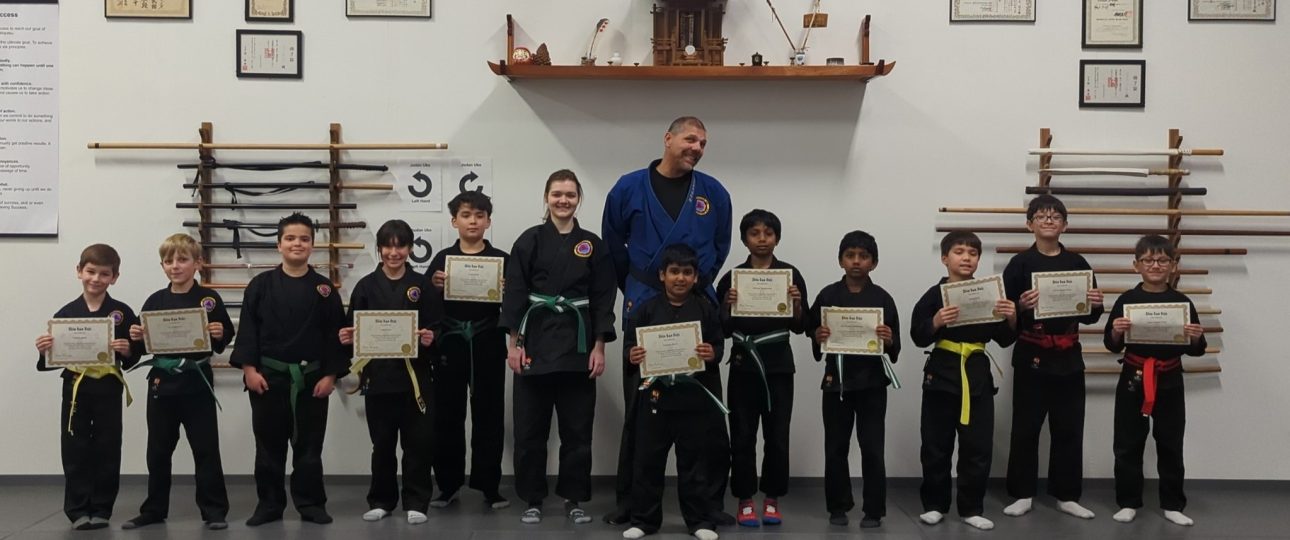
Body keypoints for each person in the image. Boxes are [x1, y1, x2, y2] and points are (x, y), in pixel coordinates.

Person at [602, 116, 733, 525]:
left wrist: (695, 289)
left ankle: (709, 504)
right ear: (668, 138)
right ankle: (632, 503)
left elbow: (720, 245)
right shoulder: (627, 187)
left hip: (697, 307)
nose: (696, 147)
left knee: (707, 413)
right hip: (644, 301)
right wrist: (640, 290)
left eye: (703, 142)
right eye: (690, 138)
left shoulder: (713, 193)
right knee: (641, 411)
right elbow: (613, 247)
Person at [500, 169, 617, 525]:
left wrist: (599, 347)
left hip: (578, 346)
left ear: (579, 198)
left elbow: (602, 298)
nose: (563, 200)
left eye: (569, 194)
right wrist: (513, 345)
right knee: (530, 429)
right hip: (534, 341)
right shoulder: (529, 241)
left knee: (577, 430)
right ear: (547, 198)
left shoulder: (593, 245)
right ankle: (533, 497)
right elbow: (516, 293)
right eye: (556, 194)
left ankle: (574, 496)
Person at [230, 212, 349, 527]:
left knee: (309, 447)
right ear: (279, 244)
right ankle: (269, 505)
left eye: (305, 238)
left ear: (313, 245)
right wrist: (249, 370)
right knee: (268, 447)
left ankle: (310, 504)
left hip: (312, 380)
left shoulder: (324, 290)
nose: (298, 243)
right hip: (268, 378)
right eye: (291, 238)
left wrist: (330, 375)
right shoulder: (260, 286)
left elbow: (334, 337)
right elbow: (248, 333)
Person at [1000, 195, 1104, 520]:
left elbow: (1090, 317)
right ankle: (1022, 493)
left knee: (1069, 427)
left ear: (1064, 225)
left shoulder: (1077, 263)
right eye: (1041, 216)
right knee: (1026, 428)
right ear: (1029, 224)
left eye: (1055, 216)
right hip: (1031, 352)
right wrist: (1020, 306)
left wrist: (1095, 302)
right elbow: (1004, 318)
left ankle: (1066, 494)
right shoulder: (1019, 264)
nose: (1048, 220)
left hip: (1069, 356)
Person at [121, 234, 234, 530]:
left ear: (197, 263)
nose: (175, 266)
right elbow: (143, 346)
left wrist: (220, 332)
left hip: (196, 382)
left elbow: (225, 338)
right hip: (162, 382)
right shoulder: (155, 300)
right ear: (162, 266)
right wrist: (137, 339)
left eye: (182, 259)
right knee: (158, 450)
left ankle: (214, 510)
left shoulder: (209, 299)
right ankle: (154, 509)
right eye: (169, 261)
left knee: (206, 448)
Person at [910, 231, 1017, 531]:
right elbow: (917, 335)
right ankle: (934, 505)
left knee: (977, 446)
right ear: (945, 258)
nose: (967, 257)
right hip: (941, 375)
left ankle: (971, 507)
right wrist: (936, 321)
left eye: (973, 253)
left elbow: (1005, 338)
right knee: (936, 445)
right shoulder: (934, 295)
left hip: (977, 374)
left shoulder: (988, 292)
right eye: (959, 252)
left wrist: (1010, 317)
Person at [621, 244, 725, 540]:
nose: (680, 278)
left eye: (687, 273)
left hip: (693, 399)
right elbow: (630, 346)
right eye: (674, 272)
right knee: (647, 460)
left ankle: (700, 521)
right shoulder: (646, 309)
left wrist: (710, 353)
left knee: (694, 462)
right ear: (662, 275)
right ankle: (643, 520)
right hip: (655, 397)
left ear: (695, 278)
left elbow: (718, 344)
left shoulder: (706, 309)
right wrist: (633, 356)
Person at [338, 219, 438, 524]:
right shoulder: (366, 286)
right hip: (379, 379)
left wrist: (431, 337)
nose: (394, 252)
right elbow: (354, 330)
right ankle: (381, 499)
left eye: (401, 245)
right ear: (379, 248)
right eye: (388, 246)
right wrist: (347, 338)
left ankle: (417, 501)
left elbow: (437, 326)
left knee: (417, 444)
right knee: (381, 444)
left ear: (410, 249)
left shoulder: (422, 286)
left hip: (415, 378)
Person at [1103, 235, 1207, 527]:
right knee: (1127, 442)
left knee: (1171, 443)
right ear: (1136, 265)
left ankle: (1173, 503)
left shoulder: (1181, 301)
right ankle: (1128, 501)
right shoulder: (1127, 300)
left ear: (1173, 266)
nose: (1156, 265)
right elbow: (1111, 345)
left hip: (1170, 378)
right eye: (1148, 260)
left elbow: (1196, 349)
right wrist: (1116, 331)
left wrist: (1197, 336)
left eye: (1163, 260)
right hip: (1133, 378)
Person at [34, 244, 139, 531]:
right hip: (75, 388)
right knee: (75, 446)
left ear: (114, 277)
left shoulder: (122, 313)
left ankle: (103, 507)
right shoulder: (66, 313)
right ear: (79, 271)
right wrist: (45, 350)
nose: (96, 279)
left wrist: (128, 350)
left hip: (108, 386)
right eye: (90, 272)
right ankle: (78, 509)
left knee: (108, 445)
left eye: (104, 274)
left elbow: (136, 355)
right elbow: (52, 360)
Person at [714, 210, 808, 527]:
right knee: (741, 437)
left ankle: (771, 498)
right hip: (743, 365)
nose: (762, 239)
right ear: (744, 239)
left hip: (779, 365)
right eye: (755, 233)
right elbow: (722, 329)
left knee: (777, 436)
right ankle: (743, 498)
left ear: (777, 238)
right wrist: (727, 304)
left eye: (768, 233)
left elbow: (800, 326)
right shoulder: (732, 278)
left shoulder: (790, 275)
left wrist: (796, 304)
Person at [808, 231, 900, 529]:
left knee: (872, 448)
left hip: (872, 385)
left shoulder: (883, 298)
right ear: (840, 260)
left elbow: (895, 347)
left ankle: (874, 509)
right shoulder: (827, 296)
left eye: (863, 256)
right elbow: (812, 331)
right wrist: (818, 336)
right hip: (837, 384)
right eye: (850, 255)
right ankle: (838, 506)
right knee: (835, 447)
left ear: (873, 262)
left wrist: (888, 339)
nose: (856, 261)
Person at [427, 191, 511, 510]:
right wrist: (433, 286)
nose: (472, 220)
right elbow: (426, 305)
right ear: (454, 221)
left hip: (488, 343)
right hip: (450, 344)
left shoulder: (502, 259)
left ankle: (490, 486)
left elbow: (515, 307)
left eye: (479, 215)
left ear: (488, 221)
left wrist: (507, 290)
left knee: (489, 415)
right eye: (465, 215)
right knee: (447, 417)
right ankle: (447, 485)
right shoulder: (441, 260)